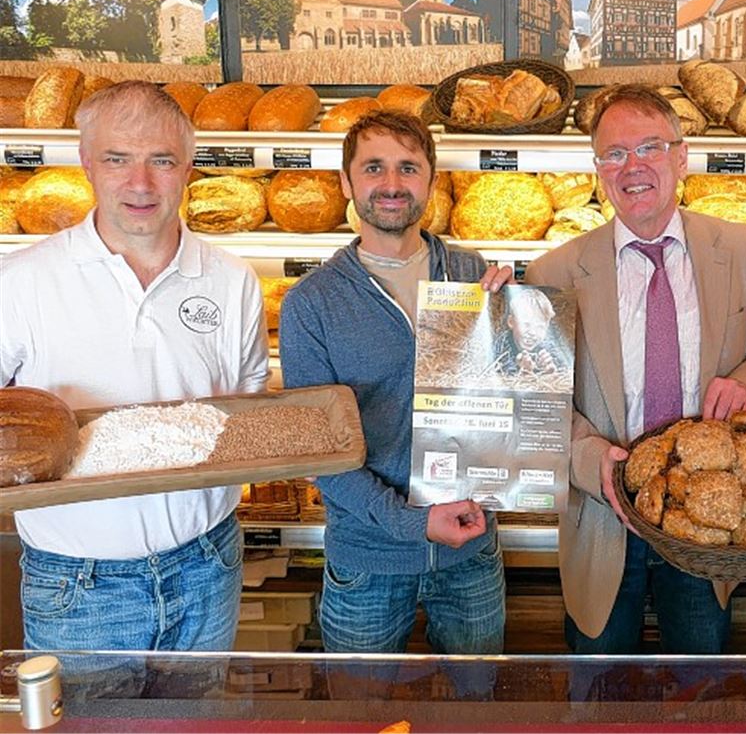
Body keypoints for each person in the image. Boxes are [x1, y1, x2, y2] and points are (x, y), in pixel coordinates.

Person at [0, 81, 269, 654]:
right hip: (76, 582)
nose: (140, 184)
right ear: (87, 163)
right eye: (117, 159)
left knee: (200, 723)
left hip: (207, 564)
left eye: (162, 161)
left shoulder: (233, 279)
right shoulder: (22, 281)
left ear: (189, 167)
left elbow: (245, 412)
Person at [526, 84, 746, 654]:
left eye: (649, 147)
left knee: (698, 685)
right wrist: (584, 456)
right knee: (598, 688)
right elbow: (540, 403)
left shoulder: (740, 247)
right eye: (614, 154)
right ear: (598, 169)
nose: (632, 167)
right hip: (603, 519)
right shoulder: (555, 270)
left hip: (707, 519)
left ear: (681, 156)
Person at [278, 110, 513, 656]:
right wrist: (413, 523)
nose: (391, 184)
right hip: (367, 560)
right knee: (362, 710)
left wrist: (520, 325)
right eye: (374, 168)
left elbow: (505, 403)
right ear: (346, 182)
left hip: (471, 550)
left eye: (408, 168)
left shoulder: (470, 273)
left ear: (431, 181)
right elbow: (319, 454)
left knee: (476, 705)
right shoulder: (312, 302)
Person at [491, 287, 568, 376]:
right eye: (526, 324)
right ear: (511, 322)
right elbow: (497, 374)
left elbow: (563, 371)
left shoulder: (548, 347)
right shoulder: (502, 346)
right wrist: (522, 370)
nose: (533, 333)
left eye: (540, 327)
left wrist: (551, 371)